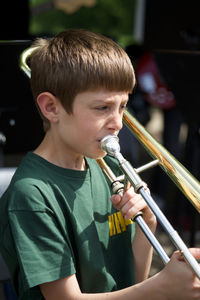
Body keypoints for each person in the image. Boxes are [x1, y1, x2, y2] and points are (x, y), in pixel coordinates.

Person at [0, 29, 200, 300]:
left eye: (122, 106)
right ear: (51, 108)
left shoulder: (112, 168)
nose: (118, 122)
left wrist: (148, 224)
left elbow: (133, 283)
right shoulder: (32, 196)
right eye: (102, 108)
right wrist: (162, 287)